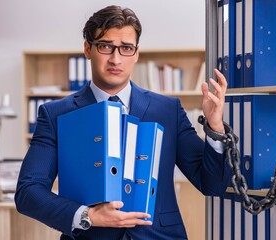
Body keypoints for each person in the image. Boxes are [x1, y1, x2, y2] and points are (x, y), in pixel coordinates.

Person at [15, 5, 229, 240]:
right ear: (88, 49)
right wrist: (87, 215)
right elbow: (28, 192)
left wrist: (215, 126)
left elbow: (211, 184)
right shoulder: (55, 114)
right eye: (106, 46)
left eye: (126, 48)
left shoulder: (168, 110)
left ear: (136, 54)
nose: (115, 59)